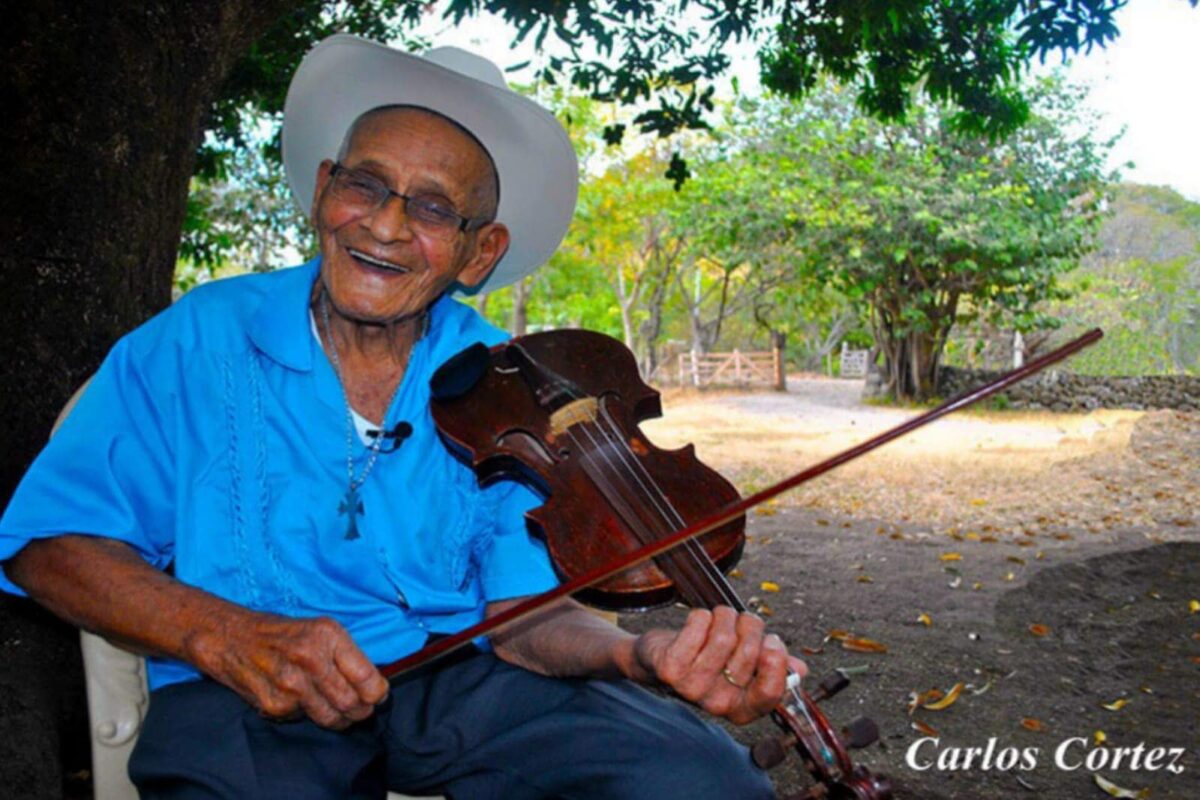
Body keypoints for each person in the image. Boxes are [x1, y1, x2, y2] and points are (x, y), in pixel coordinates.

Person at [0, 35, 804, 799]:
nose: (384, 225)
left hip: (465, 676)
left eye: (430, 208)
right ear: (323, 190)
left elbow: (524, 621)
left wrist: (640, 655)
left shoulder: (514, 385)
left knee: (699, 779)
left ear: (478, 253)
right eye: (364, 184)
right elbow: (48, 544)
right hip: (246, 683)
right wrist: (225, 634)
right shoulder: (197, 338)